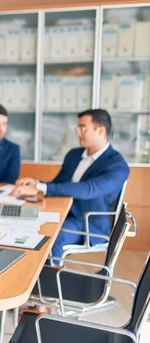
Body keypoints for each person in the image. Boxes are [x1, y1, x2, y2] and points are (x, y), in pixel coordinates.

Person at [12, 109, 129, 259]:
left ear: (100, 130)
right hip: (61, 212)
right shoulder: (74, 155)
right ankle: (32, 277)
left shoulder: (117, 165)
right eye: (77, 128)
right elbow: (57, 184)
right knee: (23, 224)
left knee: (53, 236)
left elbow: (88, 189)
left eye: (82, 128)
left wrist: (42, 188)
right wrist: (37, 184)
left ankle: (51, 279)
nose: (78, 133)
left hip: (86, 223)